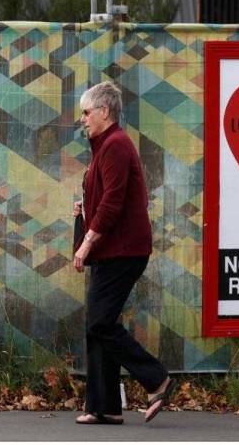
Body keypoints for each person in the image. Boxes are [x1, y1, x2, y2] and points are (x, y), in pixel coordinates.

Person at [72, 81, 177, 425]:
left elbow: (114, 203)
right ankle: (104, 407)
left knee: (100, 321)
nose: (82, 119)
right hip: (112, 249)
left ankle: (156, 378)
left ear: (104, 111)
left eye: (86, 112)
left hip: (124, 250)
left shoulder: (115, 145)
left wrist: (86, 243)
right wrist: (84, 207)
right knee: (97, 324)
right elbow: (105, 195)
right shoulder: (104, 146)